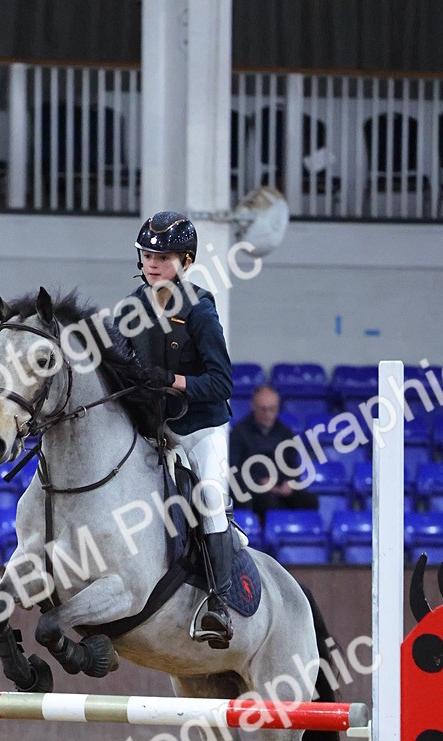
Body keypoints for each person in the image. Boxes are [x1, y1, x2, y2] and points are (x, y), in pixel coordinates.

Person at [115, 210, 235, 648]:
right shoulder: (131, 307)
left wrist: (173, 380)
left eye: (162, 257)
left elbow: (222, 382)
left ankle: (220, 604)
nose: (151, 263)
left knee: (210, 500)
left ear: (185, 261)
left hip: (201, 428)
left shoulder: (200, 311)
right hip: (156, 427)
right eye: (147, 254)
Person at [229, 385, 319, 520]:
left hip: (280, 487)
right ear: (253, 406)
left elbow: (293, 467)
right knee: (267, 501)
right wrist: (260, 482)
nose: (268, 414)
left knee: (310, 501)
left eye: (272, 409)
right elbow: (233, 470)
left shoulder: (286, 432)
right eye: (263, 409)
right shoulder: (239, 432)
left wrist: (289, 483)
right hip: (253, 489)